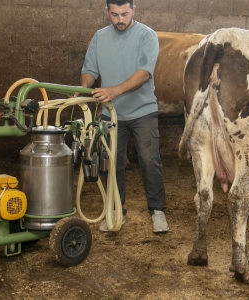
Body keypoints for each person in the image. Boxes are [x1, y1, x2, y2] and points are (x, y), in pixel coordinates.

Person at [77, 0, 168, 233]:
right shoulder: (99, 37)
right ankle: (117, 211)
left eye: (125, 14)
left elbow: (143, 74)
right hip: (110, 113)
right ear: (107, 11)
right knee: (112, 162)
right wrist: (84, 87)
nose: (120, 20)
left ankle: (157, 211)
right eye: (115, 14)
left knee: (149, 160)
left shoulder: (147, 36)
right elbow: (89, 70)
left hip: (143, 110)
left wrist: (113, 91)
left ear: (133, 11)